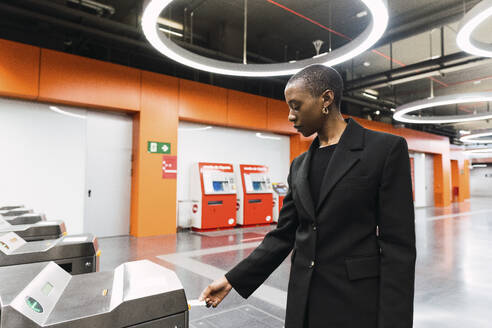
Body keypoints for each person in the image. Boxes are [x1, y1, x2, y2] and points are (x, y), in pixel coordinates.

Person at [199, 64, 416, 328]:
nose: (290, 116)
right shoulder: (300, 165)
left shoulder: (384, 150)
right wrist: (233, 278)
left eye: (296, 105)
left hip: (355, 301)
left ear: (326, 99)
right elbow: (284, 235)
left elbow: (398, 247)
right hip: (304, 299)